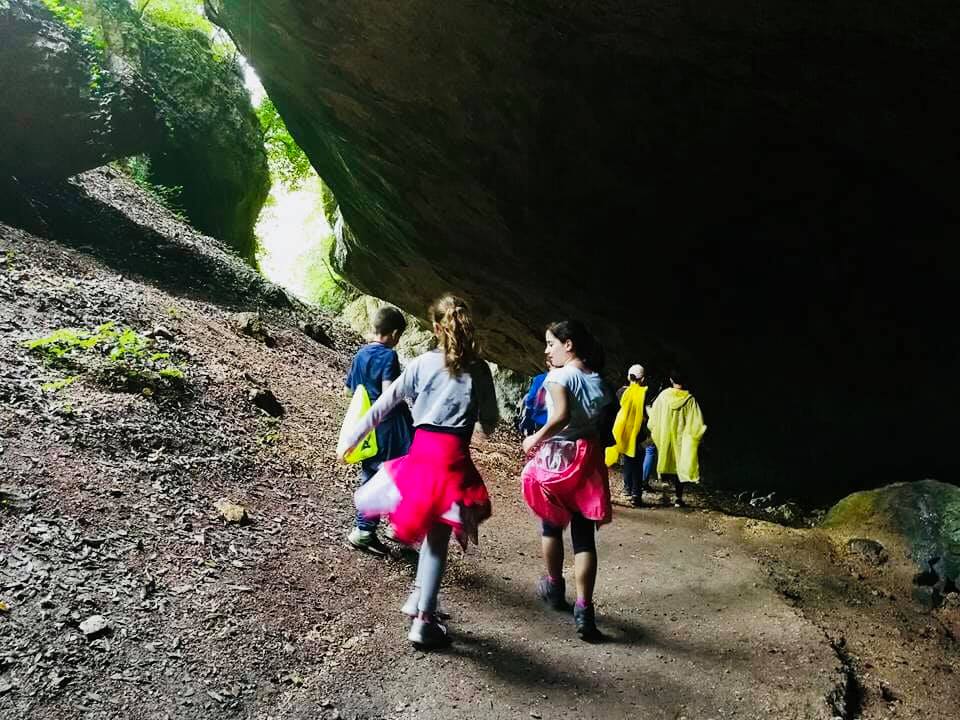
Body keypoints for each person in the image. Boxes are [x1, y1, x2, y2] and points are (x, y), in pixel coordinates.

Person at [338, 295, 499, 648]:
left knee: (431, 534)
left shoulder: (421, 364)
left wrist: (352, 438)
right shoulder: (480, 369)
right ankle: (424, 622)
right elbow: (490, 423)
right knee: (438, 539)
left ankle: (418, 598)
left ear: (437, 328)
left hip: (419, 456)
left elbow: (384, 403)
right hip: (452, 459)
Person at [520, 320, 615, 641]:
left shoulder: (560, 376)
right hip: (588, 459)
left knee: (551, 526)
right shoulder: (597, 381)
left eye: (550, 344)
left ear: (568, 344)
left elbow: (559, 416)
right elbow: (597, 421)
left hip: (558, 458)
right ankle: (585, 608)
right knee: (584, 538)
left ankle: (555, 586)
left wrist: (535, 437)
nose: (547, 351)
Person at [344, 306, 414, 555]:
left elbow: (352, 390)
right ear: (394, 333)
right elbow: (388, 396)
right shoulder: (388, 356)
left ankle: (375, 527)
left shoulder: (361, 354)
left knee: (371, 473)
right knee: (391, 475)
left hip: (366, 426)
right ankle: (367, 530)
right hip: (389, 428)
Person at [647, 369, 707, 507]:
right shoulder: (690, 400)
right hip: (682, 439)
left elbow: (654, 416)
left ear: (671, 380)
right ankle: (678, 498)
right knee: (681, 466)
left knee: (668, 461)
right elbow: (697, 421)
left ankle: (666, 484)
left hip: (666, 437)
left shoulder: (663, 396)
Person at [606, 364, 657, 507]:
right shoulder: (644, 393)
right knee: (637, 463)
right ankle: (636, 494)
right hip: (638, 433)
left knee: (628, 460)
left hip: (622, 432)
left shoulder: (620, 392)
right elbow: (649, 413)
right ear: (643, 379)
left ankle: (627, 489)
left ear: (628, 377)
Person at [517, 361, 551, 436]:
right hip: (559, 420)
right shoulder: (565, 379)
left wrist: (529, 406)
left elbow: (531, 397)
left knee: (541, 439)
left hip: (542, 417)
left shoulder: (540, 378)